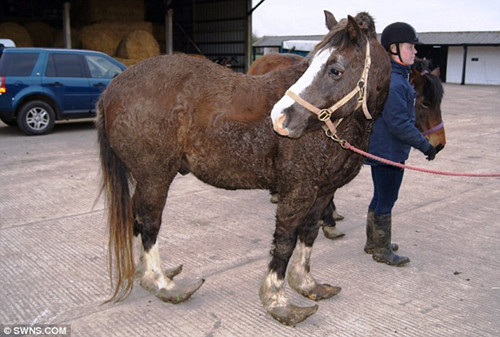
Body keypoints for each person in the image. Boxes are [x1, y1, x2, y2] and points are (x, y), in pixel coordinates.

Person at [364, 22, 437, 266]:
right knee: (387, 199)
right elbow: (400, 124)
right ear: (393, 49)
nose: (415, 52)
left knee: (380, 196)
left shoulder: (396, 77)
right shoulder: (395, 83)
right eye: (410, 47)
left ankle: (373, 242)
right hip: (389, 152)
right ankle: (382, 251)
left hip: (384, 150)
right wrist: (425, 145)